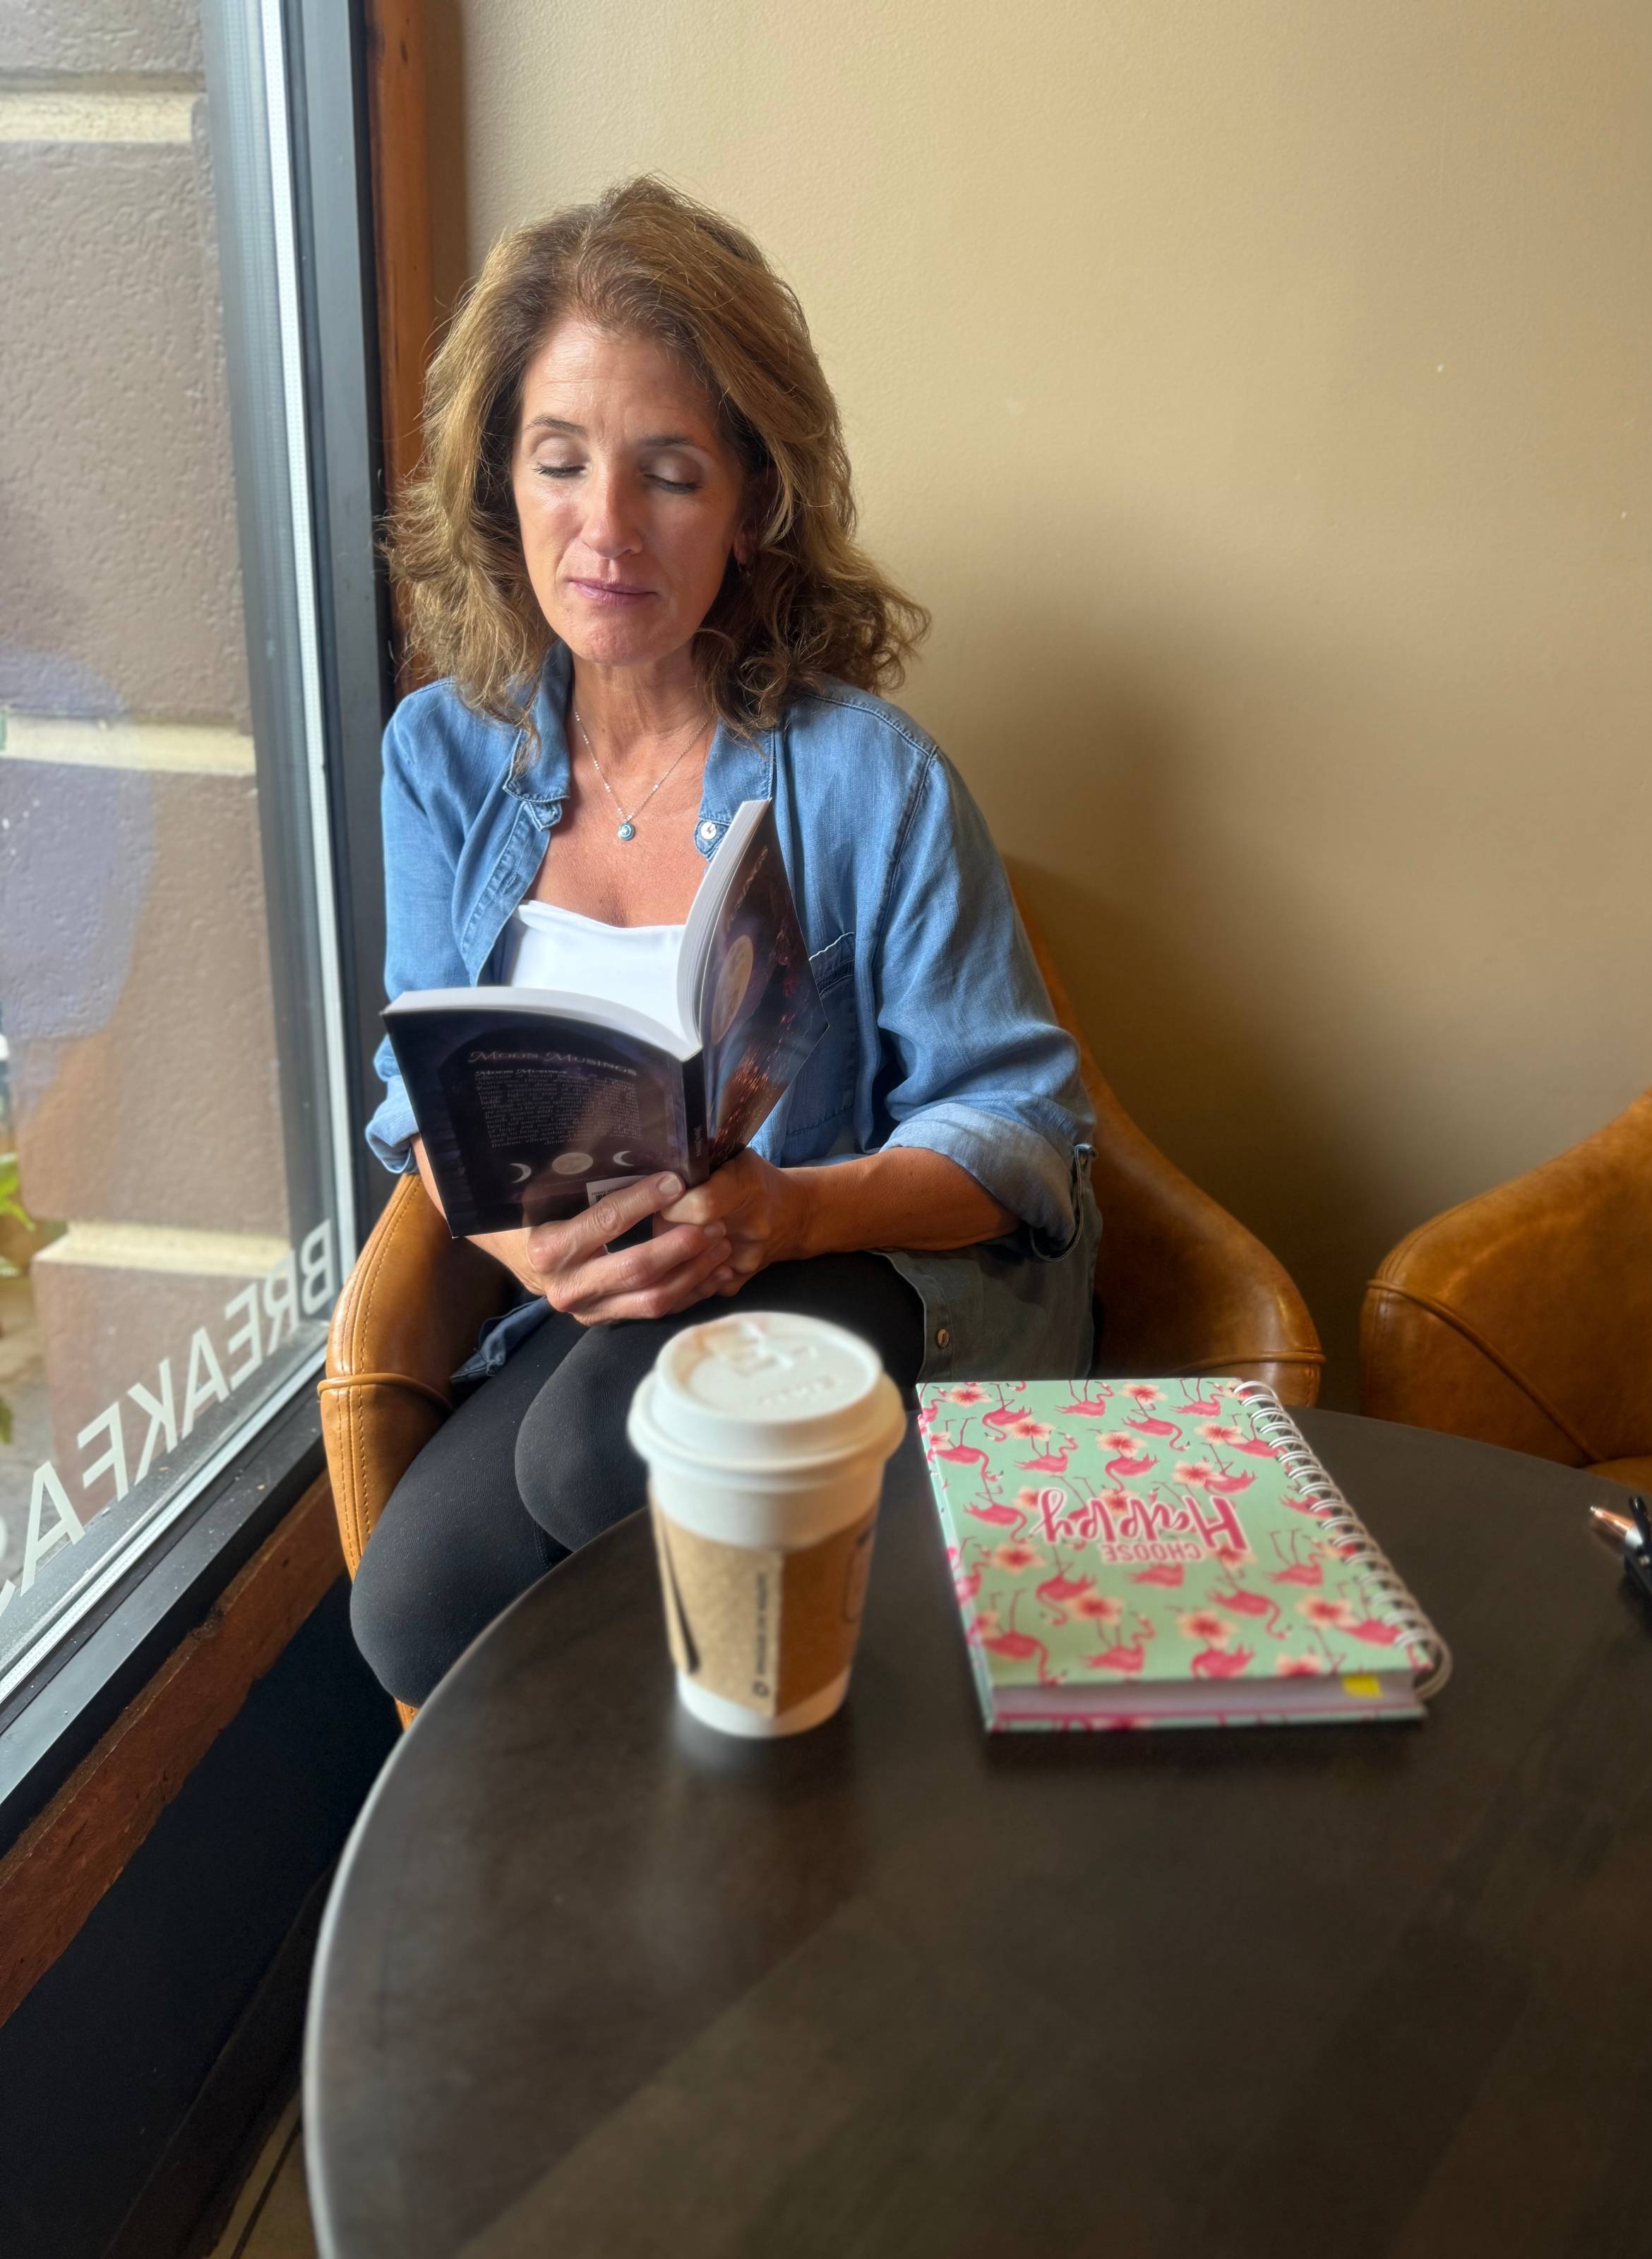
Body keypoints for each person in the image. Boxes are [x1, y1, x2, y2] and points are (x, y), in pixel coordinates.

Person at [349, 177, 1100, 1706]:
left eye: (670, 475)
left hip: (863, 1257)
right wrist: (512, 1241)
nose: (605, 529)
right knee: (411, 1607)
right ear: (502, 477)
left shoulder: (869, 775)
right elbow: (415, 1095)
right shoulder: (443, 757)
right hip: (607, 1296)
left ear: (751, 499)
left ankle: (773, 1848)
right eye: (559, 462)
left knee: (590, 1457)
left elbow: (1028, 1131)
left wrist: (782, 1214)